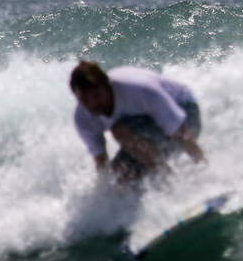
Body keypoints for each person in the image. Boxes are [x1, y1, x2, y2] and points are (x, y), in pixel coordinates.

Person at [70, 60, 206, 182]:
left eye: (96, 95)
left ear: (107, 85)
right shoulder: (83, 118)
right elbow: (101, 163)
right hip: (146, 132)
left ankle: (170, 182)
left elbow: (181, 132)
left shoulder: (140, 90)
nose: (93, 104)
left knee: (119, 131)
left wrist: (203, 167)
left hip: (185, 113)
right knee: (119, 172)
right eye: (85, 100)